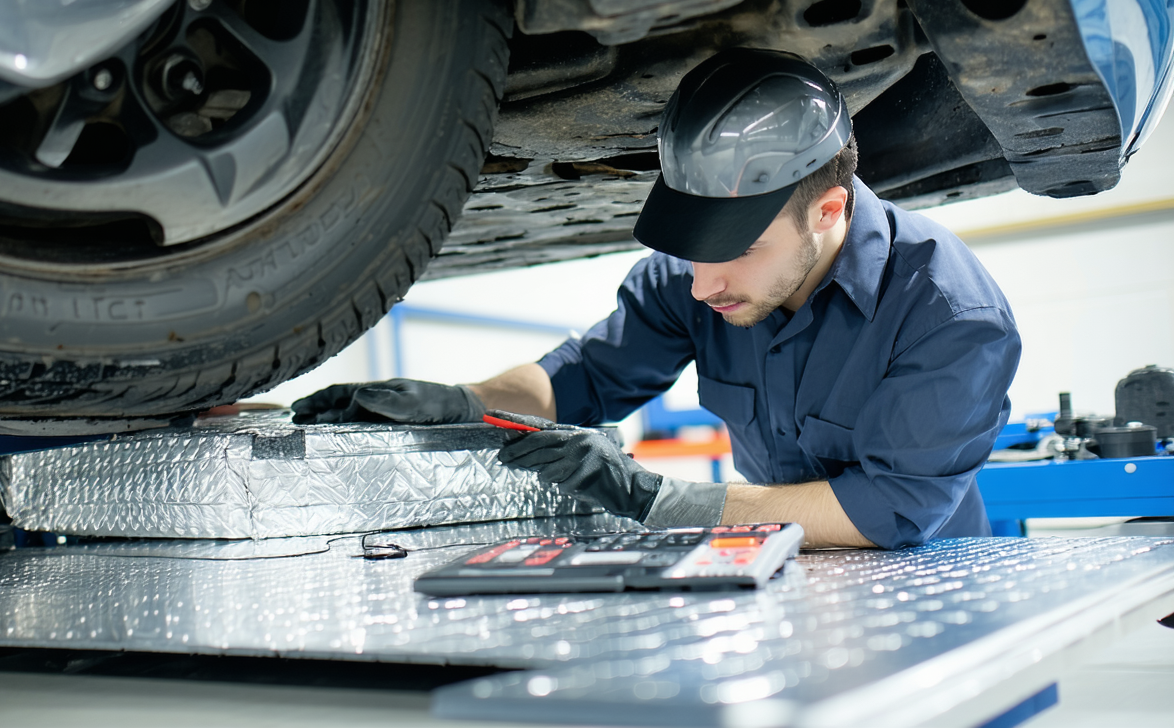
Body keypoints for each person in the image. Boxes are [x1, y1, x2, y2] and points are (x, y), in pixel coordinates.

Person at [292, 48, 1021, 550]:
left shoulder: (950, 317)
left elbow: (889, 512)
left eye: (736, 250)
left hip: (922, 576)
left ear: (827, 212)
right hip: (781, 565)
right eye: (693, 249)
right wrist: (460, 403)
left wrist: (655, 498)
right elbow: (579, 380)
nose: (703, 287)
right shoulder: (696, 278)